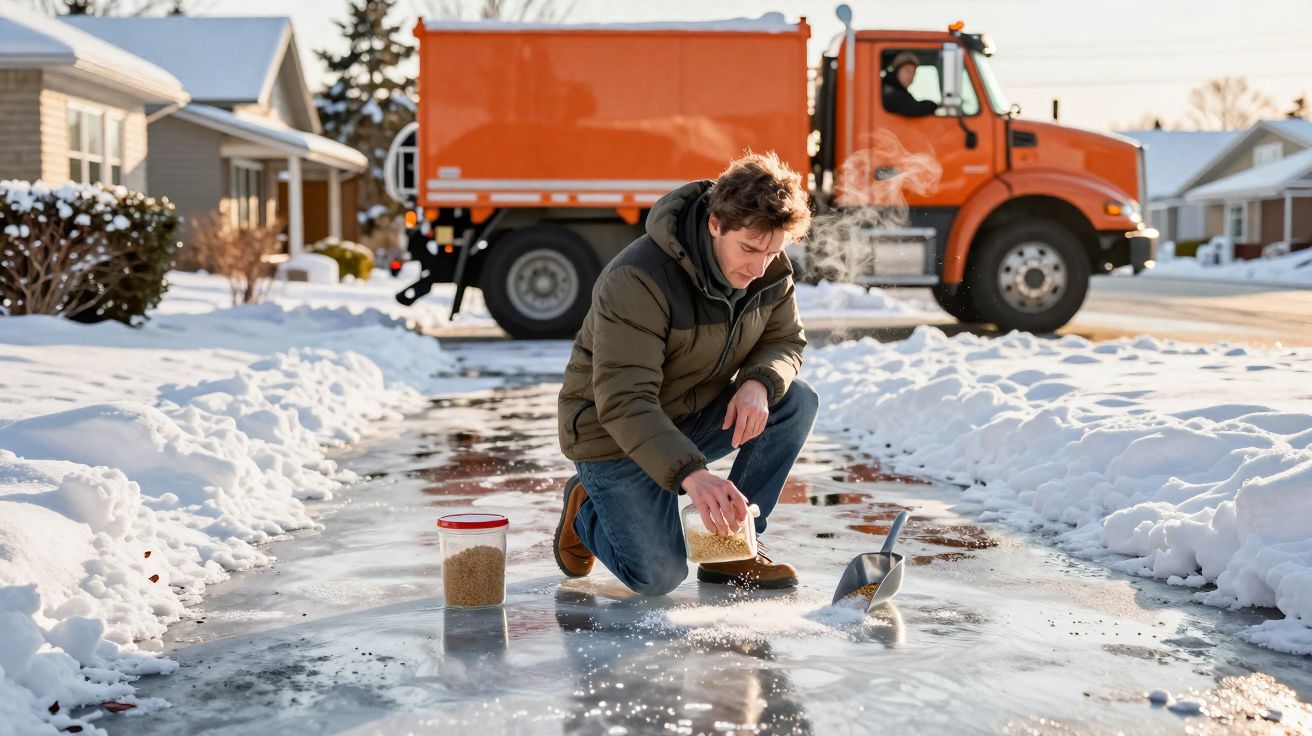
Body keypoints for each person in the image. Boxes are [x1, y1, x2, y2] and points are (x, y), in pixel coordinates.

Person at [553, 151, 819, 596]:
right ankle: (587, 511)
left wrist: (758, 382)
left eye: (772, 251)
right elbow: (625, 401)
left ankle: (731, 549)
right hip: (612, 436)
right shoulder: (639, 279)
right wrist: (693, 475)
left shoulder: (770, 270)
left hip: (686, 417)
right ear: (716, 224)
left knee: (794, 400)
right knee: (658, 578)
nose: (758, 268)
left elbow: (786, 340)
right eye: (749, 249)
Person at [882, 50, 939, 117]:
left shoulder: (898, 90)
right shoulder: (888, 90)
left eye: (914, 72)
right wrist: (933, 105)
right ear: (896, 71)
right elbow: (912, 108)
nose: (911, 76)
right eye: (907, 70)